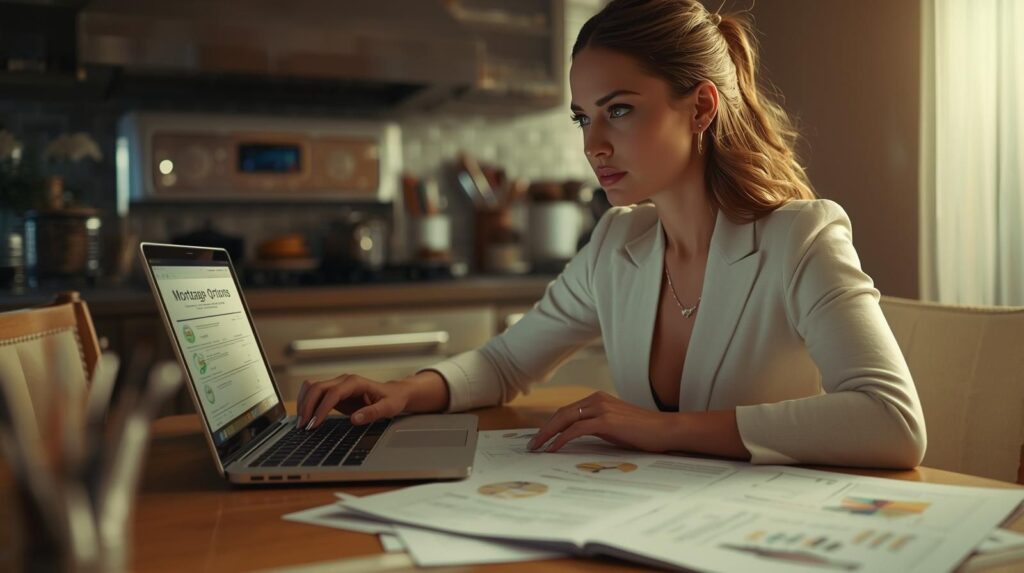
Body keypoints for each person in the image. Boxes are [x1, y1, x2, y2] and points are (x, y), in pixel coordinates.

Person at [297, 0, 926, 468]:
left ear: (701, 108)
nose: (593, 145)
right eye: (583, 117)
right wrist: (404, 391)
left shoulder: (802, 237)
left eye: (619, 109)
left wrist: (662, 429)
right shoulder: (617, 243)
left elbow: (892, 422)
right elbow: (506, 361)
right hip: (645, 523)